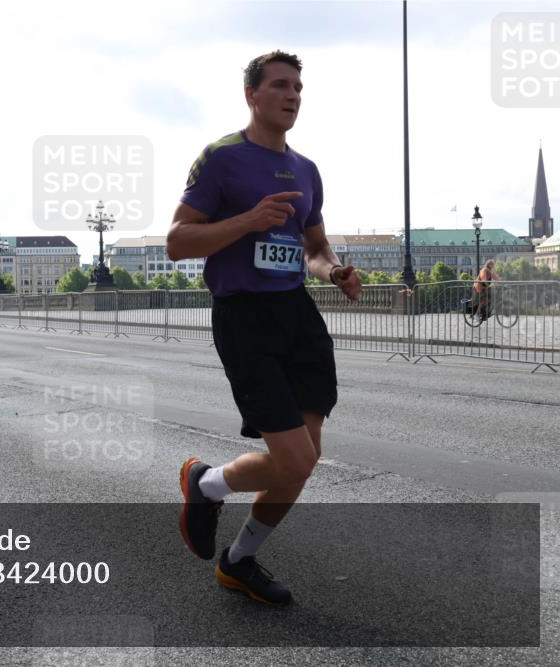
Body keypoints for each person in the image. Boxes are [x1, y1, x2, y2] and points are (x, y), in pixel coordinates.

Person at [167, 51, 362, 605]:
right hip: (245, 315)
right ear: (252, 95)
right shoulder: (222, 158)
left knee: (304, 462)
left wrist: (334, 271)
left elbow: (314, 245)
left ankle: (240, 560)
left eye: (298, 87)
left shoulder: (306, 170)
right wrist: (249, 221)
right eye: (280, 85)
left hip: (297, 315)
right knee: (294, 459)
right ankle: (204, 484)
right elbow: (177, 242)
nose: (292, 95)